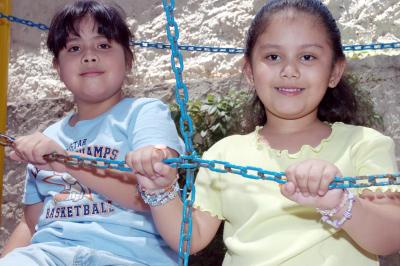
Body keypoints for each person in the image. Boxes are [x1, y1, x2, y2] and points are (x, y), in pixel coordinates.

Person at [131, 0, 400, 265]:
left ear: (334, 71)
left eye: (308, 57)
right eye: (273, 57)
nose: (289, 70)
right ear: (249, 70)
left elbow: (390, 238)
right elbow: (191, 238)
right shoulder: (225, 153)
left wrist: (341, 204)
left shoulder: (363, 144)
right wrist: (160, 191)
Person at [0, 1, 183, 265]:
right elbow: (30, 223)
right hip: (52, 255)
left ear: (128, 59)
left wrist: (68, 162)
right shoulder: (49, 136)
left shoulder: (144, 114)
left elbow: (149, 196)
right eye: (74, 48)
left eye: (103, 45)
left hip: (132, 256)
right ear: (57, 67)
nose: (89, 55)